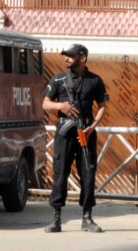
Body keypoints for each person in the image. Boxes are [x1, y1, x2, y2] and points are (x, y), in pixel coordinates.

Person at [42, 44, 109, 233]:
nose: (67, 59)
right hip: (65, 134)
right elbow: (45, 103)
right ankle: (56, 219)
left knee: (88, 175)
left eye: (71, 56)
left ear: (83, 58)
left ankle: (87, 218)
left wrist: (93, 126)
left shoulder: (95, 80)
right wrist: (61, 106)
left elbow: (103, 105)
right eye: (66, 56)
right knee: (60, 174)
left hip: (86, 132)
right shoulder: (59, 79)